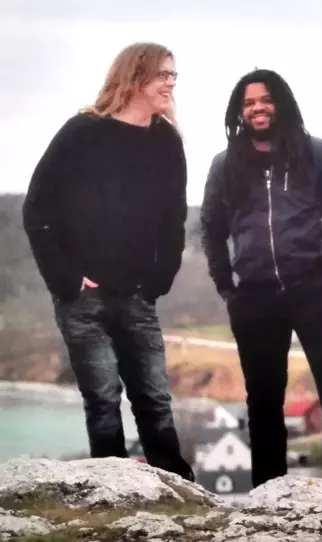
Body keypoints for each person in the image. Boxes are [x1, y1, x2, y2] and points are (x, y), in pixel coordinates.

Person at [200, 68, 322, 492]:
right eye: (249, 103)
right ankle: (269, 488)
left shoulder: (318, 152)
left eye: (265, 100)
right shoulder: (225, 164)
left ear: (281, 103)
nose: (258, 108)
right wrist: (227, 286)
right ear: (239, 112)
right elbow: (210, 228)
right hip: (253, 295)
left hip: (314, 287)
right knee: (264, 396)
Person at [22, 42, 194, 481]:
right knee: (102, 399)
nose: (171, 84)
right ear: (134, 77)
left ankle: (177, 491)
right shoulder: (82, 131)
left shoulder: (166, 141)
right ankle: (111, 490)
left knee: (154, 399)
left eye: (173, 75)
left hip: (138, 295)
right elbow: (37, 210)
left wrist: (159, 278)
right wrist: (66, 281)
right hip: (83, 298)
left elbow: (174, 218)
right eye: (163, 75)